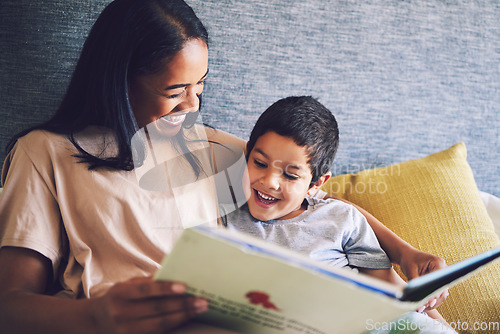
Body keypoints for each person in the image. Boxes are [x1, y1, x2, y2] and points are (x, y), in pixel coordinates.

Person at [0, 0, 446, 333]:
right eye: (176, 90)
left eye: (201, 85)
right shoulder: (44, 153)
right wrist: (94, 315)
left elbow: (315, 200)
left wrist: (407, 253)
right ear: (121, 80)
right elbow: (10, 305)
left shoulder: (210, 146)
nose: (193, 104)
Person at [224, 96, 454, 333]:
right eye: (260, 163)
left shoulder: (340, 217)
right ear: (247, 154)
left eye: (291, 176)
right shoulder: (224, 218)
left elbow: (390, 288)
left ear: (316, 184)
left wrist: (429, 309)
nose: (269, 182)